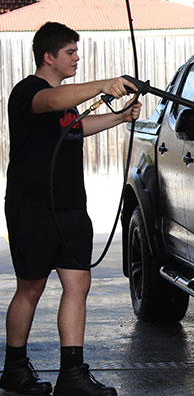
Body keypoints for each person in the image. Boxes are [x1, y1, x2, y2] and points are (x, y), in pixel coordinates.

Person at [0, 22, 141, 396]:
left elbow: (75, 127)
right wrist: (102, 84)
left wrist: (120, 117)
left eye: (77, 52)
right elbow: (49, 103)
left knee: (78, 284)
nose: (76, 58)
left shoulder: (66, 100)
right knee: (31, 287)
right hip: (32, 207)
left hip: (70, 207)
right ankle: (14, 369)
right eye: (70, 53)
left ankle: (72, 375)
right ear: (49, 57)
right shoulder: (30, 91)